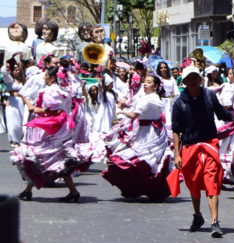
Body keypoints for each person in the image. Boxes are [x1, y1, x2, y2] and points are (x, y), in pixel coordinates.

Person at [11, 65, 91, 202]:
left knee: (40, 156)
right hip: (62, 127)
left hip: (53, 128)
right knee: (55, 159)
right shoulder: (63, 90)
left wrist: (35, 109)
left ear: (52, 78)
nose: (44, 77)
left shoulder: (50, 91)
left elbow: (55, 111)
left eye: (46, 75)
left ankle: (29, 190)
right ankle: (30, 190)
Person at [170, 66, 232, 238]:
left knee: (211, 182)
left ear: (200, 79)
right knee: (194, 184)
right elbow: (176, 130)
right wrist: (177, 154)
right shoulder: (179, 103)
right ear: (185, 82)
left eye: (195, 77)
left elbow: (222, 114)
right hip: (190, 148)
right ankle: (197, 215)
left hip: (209, 145)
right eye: (189, 78)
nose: (193, 81)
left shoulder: (209, 96)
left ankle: (215, 222)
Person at [102, 74, 172, 201]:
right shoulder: (153, 98)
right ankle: (144, 187)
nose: (145, 84)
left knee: (139, 158)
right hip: (152, 131)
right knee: (151, 160)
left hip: (148, 133)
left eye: (149, 82)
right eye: (145, 82)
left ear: (155, 86)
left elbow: (134, 114)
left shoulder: (148, 99)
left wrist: (122, 112)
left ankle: (142, 187)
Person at [2, 58, 27, 146]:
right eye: (15, 70)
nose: (16, 71)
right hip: (12, 102)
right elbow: (4, 72)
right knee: (12, 122)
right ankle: (13, 140)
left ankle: (19, 139)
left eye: (17, 70)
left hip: (21, 102)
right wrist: (8, 66)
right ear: (11, 71)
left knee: (20, 122)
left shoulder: (22, 80)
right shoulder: (9, 80)